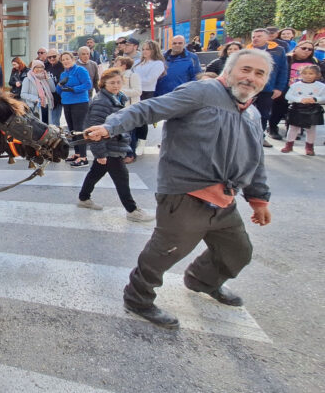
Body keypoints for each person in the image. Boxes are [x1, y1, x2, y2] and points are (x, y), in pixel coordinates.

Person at [85, 48, 274, 329]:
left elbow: (254, 158)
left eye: (259, 73)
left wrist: (259, 199)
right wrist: (110, 126)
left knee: (238, 251)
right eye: (245, 69)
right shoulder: (201, 92)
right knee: (165, 251)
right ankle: (138, 297)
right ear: (229, 70)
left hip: (224, 200)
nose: (251, 78)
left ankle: (202, 280)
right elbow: (148, 108)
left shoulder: (253, 114)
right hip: (185, 193)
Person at [77, 68, 154, 222]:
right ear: (103, 83)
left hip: (113, 143)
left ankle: (84, 198)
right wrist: (100, 154)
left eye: (118, 82)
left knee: (95, 173)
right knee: (122, 178)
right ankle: (132, 210)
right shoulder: (101, 102)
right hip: (109, 147)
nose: (116, 85)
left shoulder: (117, 97)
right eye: (111, 83)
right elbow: (94, 129)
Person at [248, 28, 288, 146]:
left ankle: (260, 137)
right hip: (248, 87)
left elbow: (283, 70)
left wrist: (279, 88)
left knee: (264, 114)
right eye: (254, 36)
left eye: (259, 36)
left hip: (267, 89)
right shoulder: (246, 50)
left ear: (267, 37)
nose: (255, 38)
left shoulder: (279, 51)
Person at [131, 40, 166, 156]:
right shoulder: (137, 63)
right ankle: (133, 141)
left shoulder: (158, 64)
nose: (145, 52)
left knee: (142, 120)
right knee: (132, 118)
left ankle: (141, 143)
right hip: (134, 92)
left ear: (154, 50)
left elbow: (150, 80)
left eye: (148, 49)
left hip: (146, 92)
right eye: (143, 49)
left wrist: (134, 81)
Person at [58, 51, 92, 167]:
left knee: (79, 129)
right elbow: (60, 90)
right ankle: (77, 153)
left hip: (79, 102)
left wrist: (74, 89)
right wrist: (60, 86)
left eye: (67, 59)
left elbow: (88, 84)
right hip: (67, 103)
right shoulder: (63, 74)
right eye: (63, 60)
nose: (65, 61)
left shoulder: (80, 70)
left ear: (73, 59)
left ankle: (83, 157)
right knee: (72, 130)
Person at [280, 65, 324, 155]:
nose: (307, 76)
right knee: (293, 128)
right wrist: (300, 99)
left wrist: (315, 99)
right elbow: (288, 96)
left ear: (317, 75)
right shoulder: (295, 85)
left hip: (313, 109)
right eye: (305, 73)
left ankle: (309, 147)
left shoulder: (321, 86)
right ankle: (289, 145)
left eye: (311, 73)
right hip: (297, 108)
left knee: (311, 129)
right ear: (300, 74)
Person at [114, 56, 141, 163]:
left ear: (124, 66)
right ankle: (123, 153)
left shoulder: (133, 75)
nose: (115, 65)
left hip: (130, 108)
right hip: (119, 108)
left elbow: (138, 91)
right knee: (122, 133)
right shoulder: (117, 77)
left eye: (117, 63)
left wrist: (120, 90)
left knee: (130, 133)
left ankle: (131, 154)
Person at [21, 60, 55, 124]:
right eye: (37, 67)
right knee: (38, 126)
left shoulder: (44, 78)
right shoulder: (28, 79)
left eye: (41, 67)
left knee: (47, 124)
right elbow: (23, 94)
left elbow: (53, 89)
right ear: (33, 68)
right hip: (35, 107)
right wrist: (35, 98)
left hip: (47, 106)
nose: (39, 69)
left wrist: (48, 79)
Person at [45, 49, 65, 126]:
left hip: (58, 98)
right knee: (48, 122)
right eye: (49, 57)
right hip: (48, 97)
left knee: (55, 121)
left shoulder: (62, 66)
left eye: (54, 56)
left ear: (58, 55)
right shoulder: (46, 66)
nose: (52, 59)